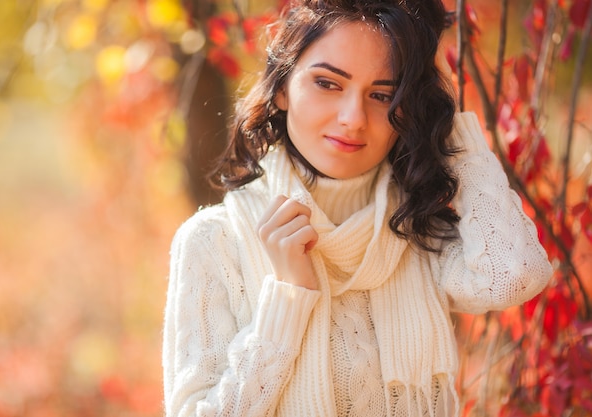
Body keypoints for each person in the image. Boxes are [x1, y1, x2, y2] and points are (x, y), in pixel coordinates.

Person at [162, 0, 553, 415]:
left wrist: (448, 121)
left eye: (383, 94)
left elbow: (516, 275)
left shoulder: (415, 232)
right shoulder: (214, 241)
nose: (353, 118)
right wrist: (288, 301)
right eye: (328, 83)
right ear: (281, 87)